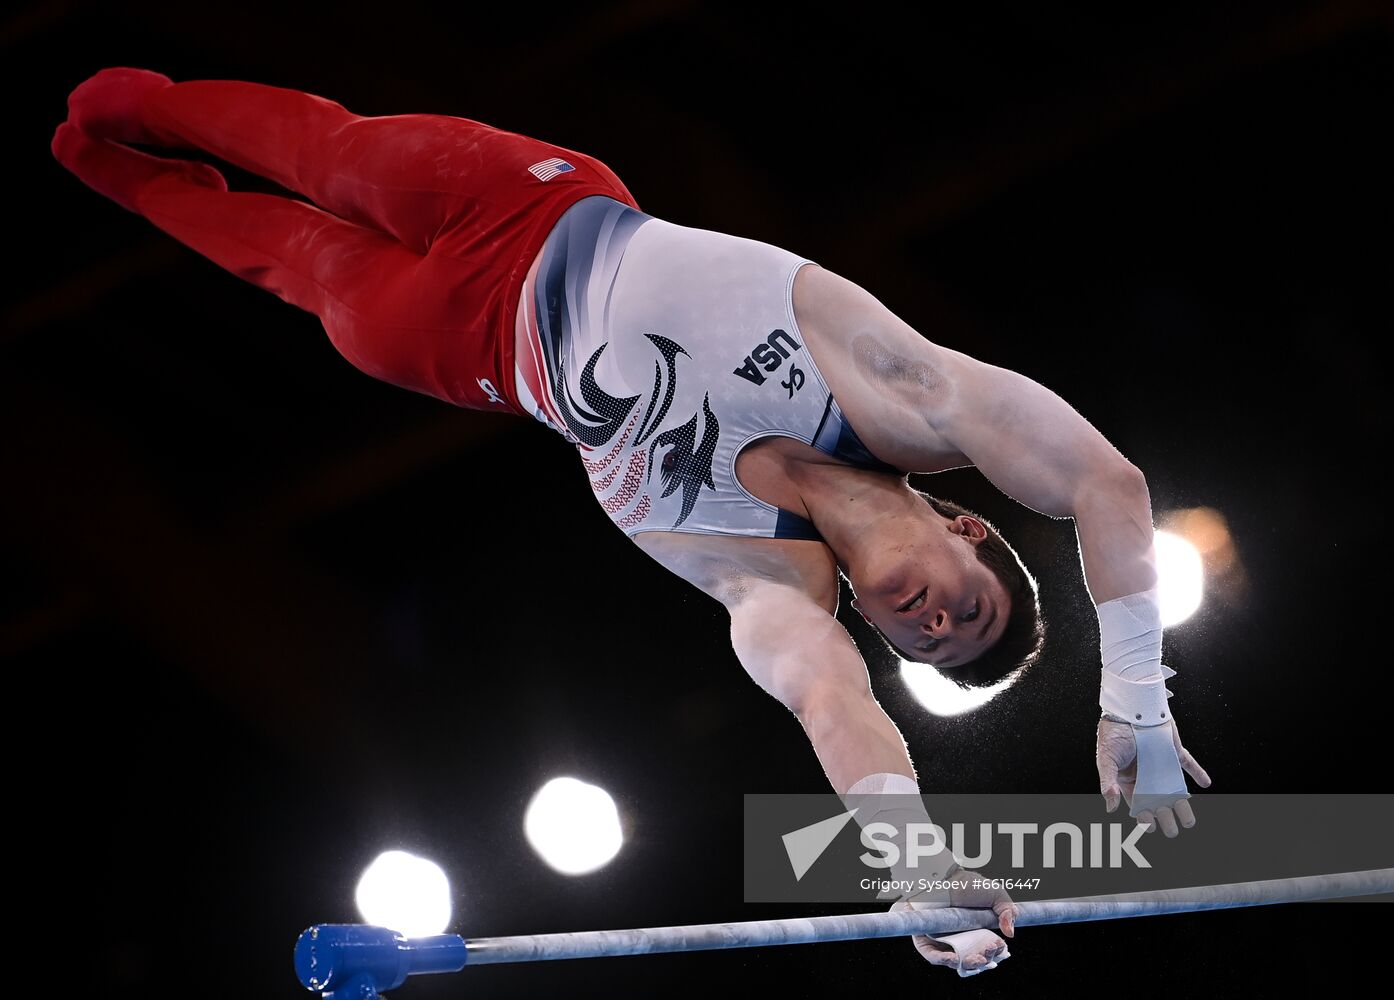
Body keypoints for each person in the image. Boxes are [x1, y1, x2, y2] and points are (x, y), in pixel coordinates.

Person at [51, 67, 1212, 976]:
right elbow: (1102, 481)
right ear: (963, 524)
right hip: (526, 200)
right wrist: (1133, 705)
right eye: (965, 610)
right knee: (321, 147)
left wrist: (914, 864)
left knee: (288, 263)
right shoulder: (898, 392)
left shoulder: (766, 586)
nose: (928, 625)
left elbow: (831, 702)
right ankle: (151, 105)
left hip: (464, 349)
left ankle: (125, 175)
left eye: (924, 647)